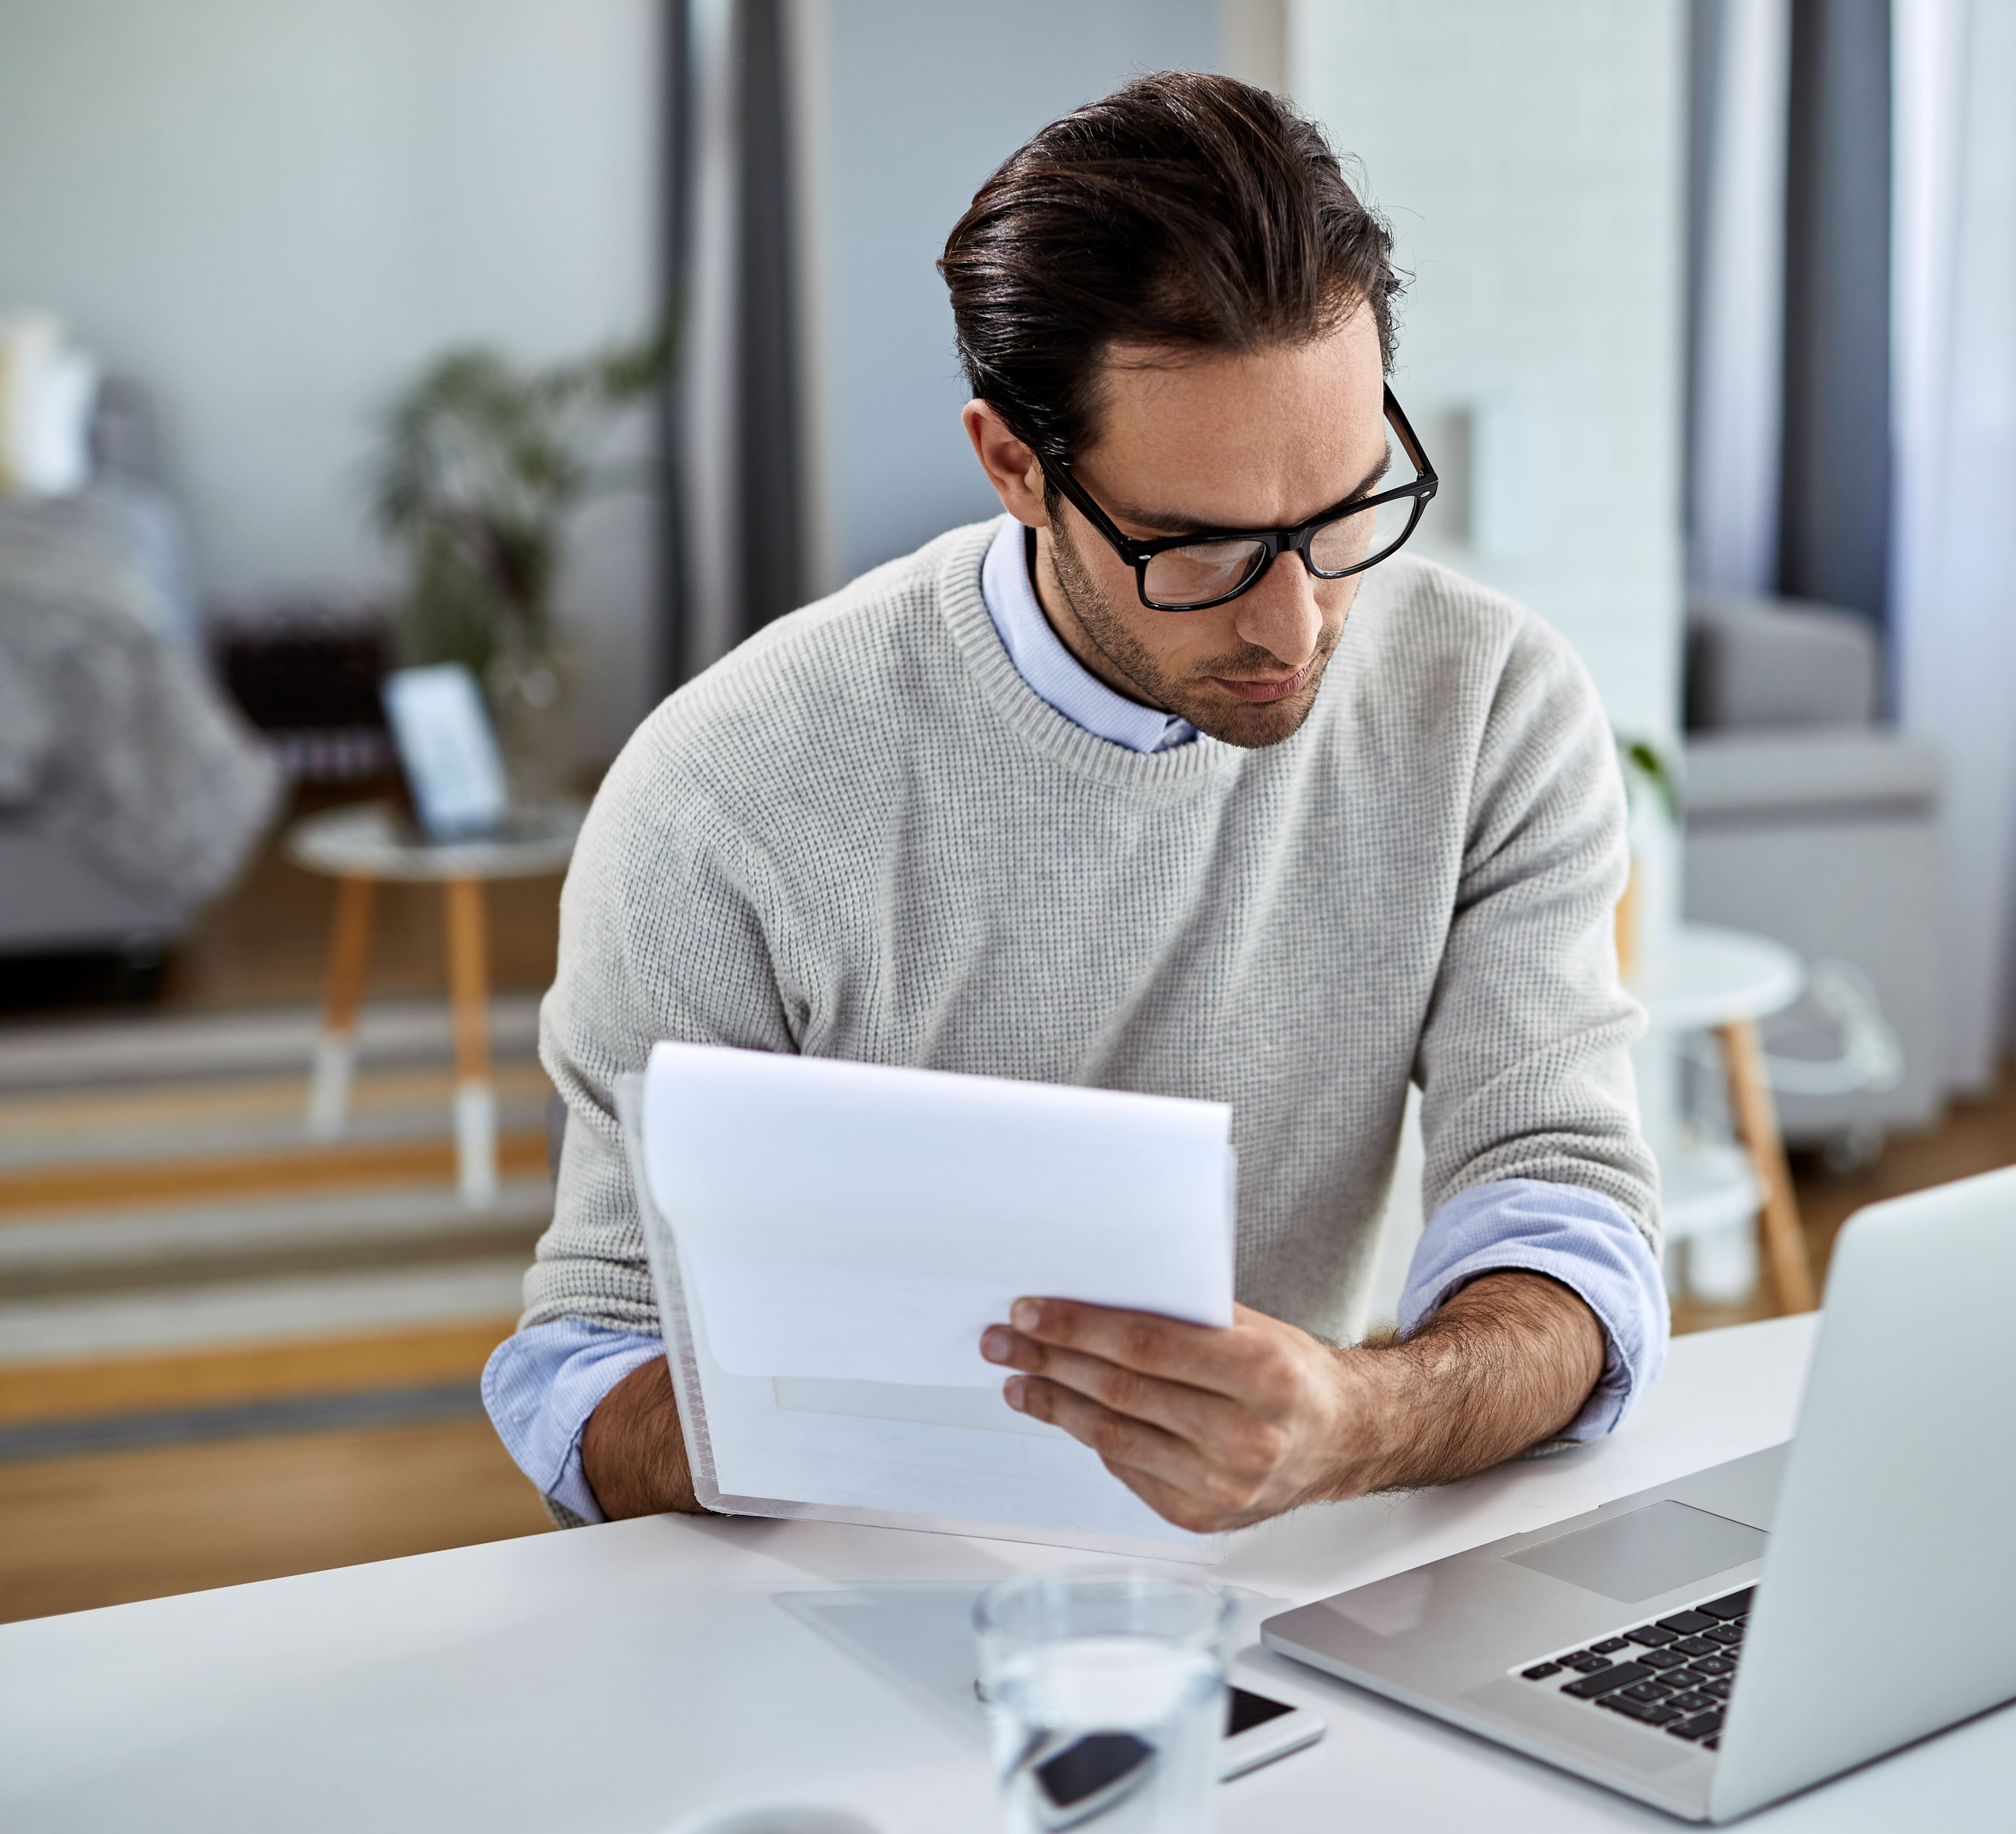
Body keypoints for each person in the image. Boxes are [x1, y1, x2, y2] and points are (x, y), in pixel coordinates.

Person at [482, 70, 1663, 1534]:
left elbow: (1564, 1201)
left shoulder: (1490, 706)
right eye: (1201, 548)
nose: (1297, 628)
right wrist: (913, 1406)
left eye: (1347, 511)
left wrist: (1362, 1421)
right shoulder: (725, 792)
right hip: (832, 1589)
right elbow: (586, 1378)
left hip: (1289, 1564)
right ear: (1015, 469)